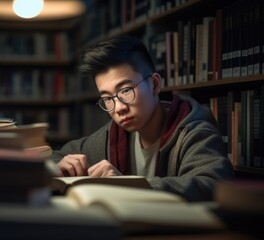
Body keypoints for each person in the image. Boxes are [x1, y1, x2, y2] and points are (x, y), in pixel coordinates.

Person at [50, 35, 234, 201]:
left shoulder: (194, 132)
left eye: (126, 91)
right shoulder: (112, 136)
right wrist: (58, 165)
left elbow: (214, 185)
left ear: (154, 85)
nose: (119, 108)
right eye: (107, 99)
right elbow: (54, 156)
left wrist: (129, 184)